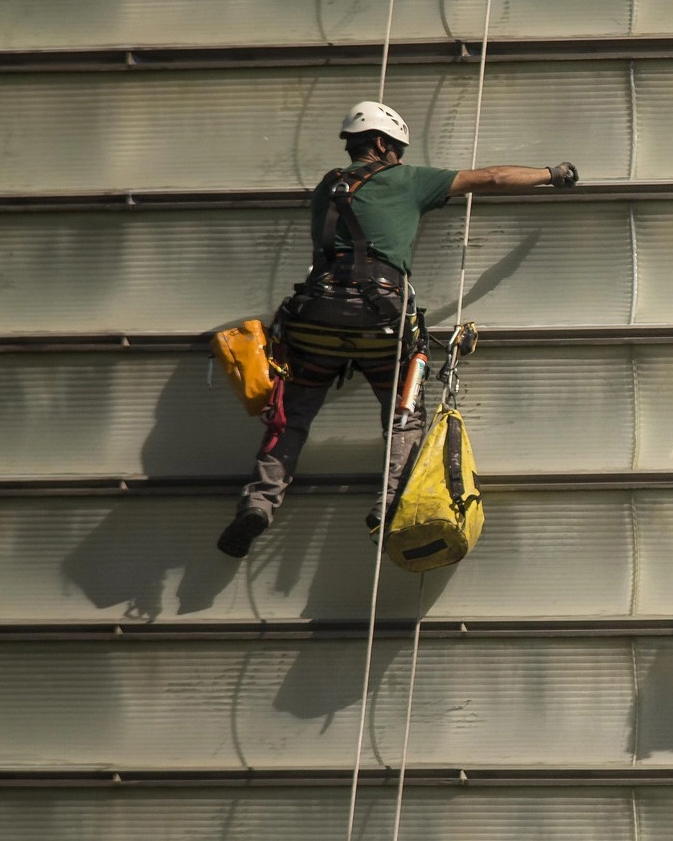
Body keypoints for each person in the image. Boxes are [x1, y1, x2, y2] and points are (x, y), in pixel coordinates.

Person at [216, 101, 578, 558]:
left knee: (291, 416)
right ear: (383, 144)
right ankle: (389, 504)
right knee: (404, 412)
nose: (403, 159)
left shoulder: (325, 186)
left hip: (315, 317)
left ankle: (259, 503)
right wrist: (552, 172)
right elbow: (490, 178)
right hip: (379, 319)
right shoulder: (406, 180)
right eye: (399, 150)